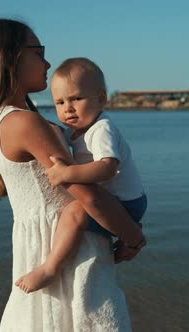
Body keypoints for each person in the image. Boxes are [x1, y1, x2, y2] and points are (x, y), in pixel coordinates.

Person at [0, 19, 146, 331]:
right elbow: (87, 195)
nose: (47, 62)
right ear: (10, 58)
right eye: (39, 52)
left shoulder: (0, 121)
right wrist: (133, 237)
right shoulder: (25, 123)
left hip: (47, 245)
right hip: (69, 253)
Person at [15, 58, 147, 294]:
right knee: (79, 210)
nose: (68, 108)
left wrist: (67, 173)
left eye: (76, 98)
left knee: (74, 212)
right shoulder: (76, 132)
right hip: (119, 198)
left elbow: (107, 167)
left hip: (127, 202)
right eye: (60, 102)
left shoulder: (101, 129)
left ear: (101, 99)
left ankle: (50, 269)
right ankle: (125, 241)